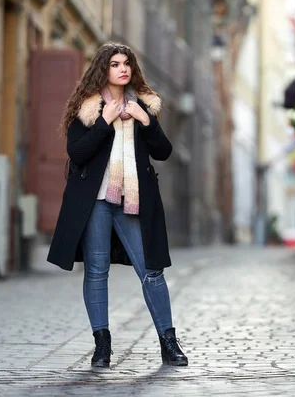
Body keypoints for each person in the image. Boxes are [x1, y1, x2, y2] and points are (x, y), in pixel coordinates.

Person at [47, 43, 188, 368]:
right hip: (95, 203)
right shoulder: (87, 109)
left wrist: (145, 120)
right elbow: (77, 153)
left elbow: (164, 151)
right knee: (97, 273)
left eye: (126, 63)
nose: (122, 68)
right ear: (103, 69)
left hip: (133, 203)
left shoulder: (144, 106)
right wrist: (104, 122)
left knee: (151, 270)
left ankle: (169, 342)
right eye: (114, 63)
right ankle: (102, 345)